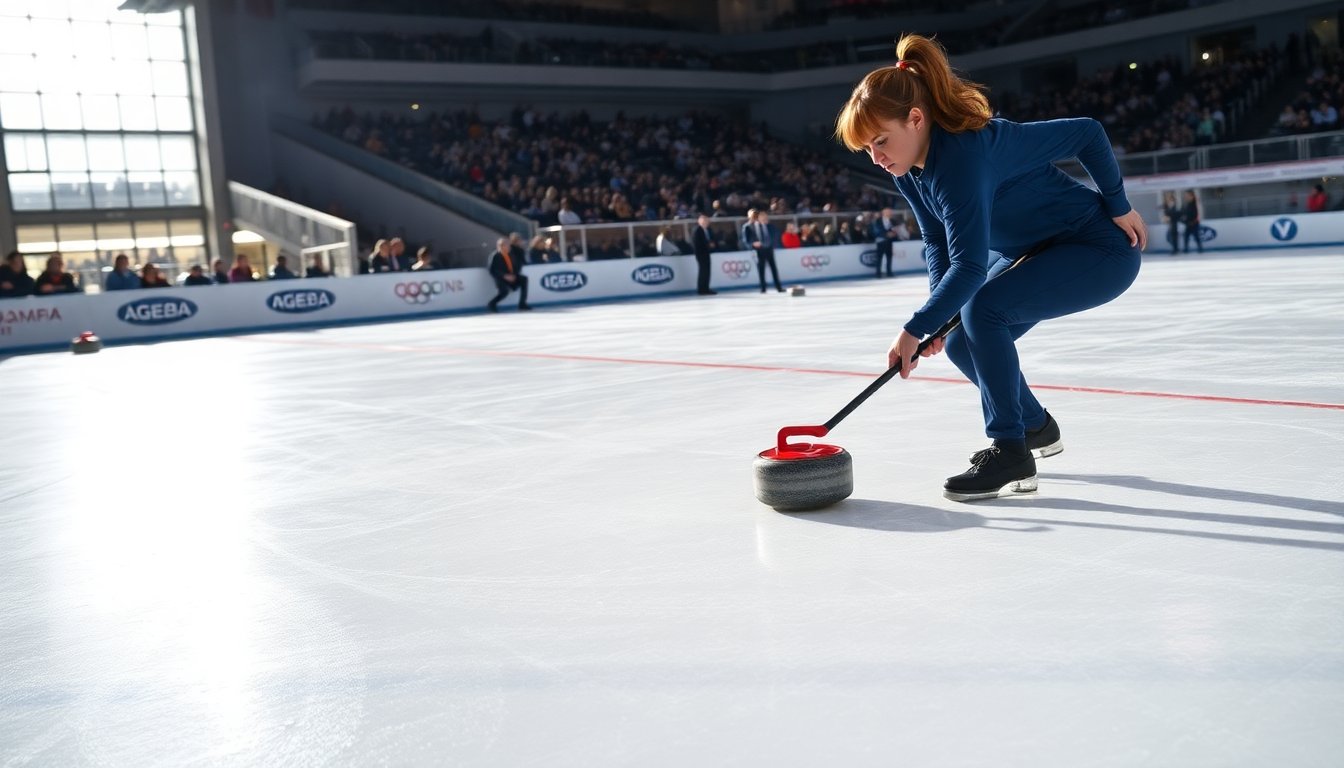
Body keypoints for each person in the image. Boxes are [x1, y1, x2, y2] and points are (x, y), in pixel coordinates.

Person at [835, 33, 1146, 501]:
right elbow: (937, 242)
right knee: (962, 341)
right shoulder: (910, 169)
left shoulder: (968, 152)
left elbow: (1087, 133)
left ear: (915, 119)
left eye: (881, 141)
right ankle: (1034, 427)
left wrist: (1118, 204)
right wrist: (939, 319)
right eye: (867, 151)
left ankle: (1010, 452)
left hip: (1098, 247)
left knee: (982, 310)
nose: (877, 158)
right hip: (1034, 250)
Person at [741, 209, 783, 293]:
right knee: (761, 269)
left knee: (773, 269)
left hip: (769, 249)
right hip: (759, 251)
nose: (763, 218)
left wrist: (772, 244)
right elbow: (746, 240)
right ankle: (763, 288)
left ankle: (778, 287)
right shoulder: (750, 226)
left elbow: (775, 235)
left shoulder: (769, 226)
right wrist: (753, 244)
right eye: (761, 217)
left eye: (765, 217)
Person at [486, 236, 531, 313]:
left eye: (508, 245)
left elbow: (516, 266)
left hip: (512, 276)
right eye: (507, 245)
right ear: (501, 246)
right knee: (504, 292)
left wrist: (514, 275)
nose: (509, 247)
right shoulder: (495, 256)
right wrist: (504, 276)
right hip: (500, 279)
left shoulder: (511, 255)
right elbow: (492, 270)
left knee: (524, 279)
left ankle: (522, 303)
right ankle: (492, 304)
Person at [691, 214, 717, 295]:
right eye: (705, 221)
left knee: (707, 271)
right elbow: (697, 243)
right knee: (703, 271)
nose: (707, 222)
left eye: (707, 221)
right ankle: (702, 289)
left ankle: (706, 288)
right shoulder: (697, 230)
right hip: (701, 254)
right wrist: (708, 244)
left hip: (707, 253)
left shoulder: (707, 230)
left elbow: (711, 239)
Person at [870, 207, 899, 277]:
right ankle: (878, 273)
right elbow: (876, 230)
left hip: (889, 241)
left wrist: (893, 233)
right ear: (884, 213)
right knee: (879, 257)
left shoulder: (892, 220)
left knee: (889, 256)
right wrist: (886, 234)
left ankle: (889, 272)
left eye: (890, 212)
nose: (890, 213)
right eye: (889, 212)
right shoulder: (877, 221)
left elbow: (895, 228)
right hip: (881, 241)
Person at [1180, 189, 1203, 254]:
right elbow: (1183, 213)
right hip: (1188, 224)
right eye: (1186, 195)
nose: (1186, 197)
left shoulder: (1196, 203)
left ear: (1192, 196)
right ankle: (1186, 249)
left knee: (1196, 236)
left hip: (1194, 223)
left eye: (1188, 195)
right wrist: (1184, 220)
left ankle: (1200, 248)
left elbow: (1198, 213)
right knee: (1186, 236)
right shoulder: (1186, 204)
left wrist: (1194, 221)